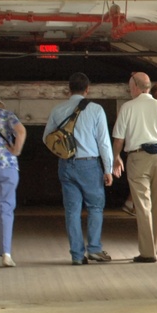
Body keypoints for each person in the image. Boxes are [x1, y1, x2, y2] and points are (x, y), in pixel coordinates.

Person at [43, 74, 114, 266]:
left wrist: (62, 150)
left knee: (72, 211)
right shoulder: (96, 110)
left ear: (69, 89)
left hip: (66, 165)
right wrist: (108, 169)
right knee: (95, 207)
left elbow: (46, 137)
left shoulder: (58, 109)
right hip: (89, 165)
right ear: (87, 89)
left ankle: (76, 255)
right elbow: (104, 143)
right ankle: (94, 250)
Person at [111, 72, 157, 263]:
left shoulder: (128, 107)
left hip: (138, 157)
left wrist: (116, 157)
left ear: (135, 86)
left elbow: (119, 138)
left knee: (143, 206)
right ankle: (154, 247)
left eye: (129, 87)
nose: (129, 90)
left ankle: (147, 252)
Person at [0, 90, 26, 267]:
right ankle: (7, 254)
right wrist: (16, 151)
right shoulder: (7, 115)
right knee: (5, 210)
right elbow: (21, 131)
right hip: (7, 167)